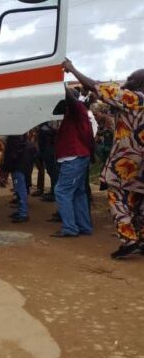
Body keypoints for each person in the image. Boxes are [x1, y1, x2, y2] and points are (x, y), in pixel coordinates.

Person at [65, 60, 144, 258]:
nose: (127, 80)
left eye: (131, 78)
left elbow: (97, 86)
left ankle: (128, 239)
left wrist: (73, 69)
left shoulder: (133, 98)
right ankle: (140, 239)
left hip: (128, 160)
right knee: (137, 200)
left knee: (116, 195)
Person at [51, 79, 95, 238]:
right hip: (77, 157)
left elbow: (71, 99)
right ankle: (84, 226)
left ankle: (70, 228)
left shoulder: (77, 109)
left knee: (62, 191)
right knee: (78, 193)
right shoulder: (74, 113)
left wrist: (59, 83)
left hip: (73, 158)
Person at [2, 134, 36, 223]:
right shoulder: (22, 137)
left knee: (20, 190)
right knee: (20, 189)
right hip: (23, 165)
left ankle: (23, 213)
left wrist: (6, 168)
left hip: (18, 166)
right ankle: (22, 211)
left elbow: (11, 154)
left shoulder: (14, 139)